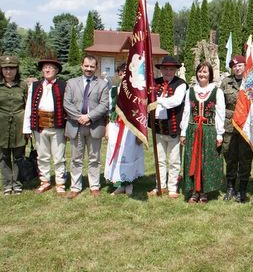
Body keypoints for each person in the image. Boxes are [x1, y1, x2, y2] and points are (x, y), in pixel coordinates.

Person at [63, 55, 109, 199]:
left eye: (92, 67)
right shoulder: (71, 83)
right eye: (86, 66)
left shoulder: (102, 84)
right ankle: (75, 186)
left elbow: (104, 105)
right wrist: (80, 117)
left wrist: (89, 117)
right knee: (76, 158)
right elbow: (67, 103)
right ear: (81, 66)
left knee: (94, 158)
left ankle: (94, 185)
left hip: (94, 125)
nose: (89, 69)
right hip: (75, 125)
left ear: (96, 68)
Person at [180, 62, 225, 204]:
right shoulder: (190, 91)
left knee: (206, 160)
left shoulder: (217, 91)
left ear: (210, 74)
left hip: (209, 130)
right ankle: (194, 191)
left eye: (205, 72)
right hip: (193, 130)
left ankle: (204, 192)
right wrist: (183, 132)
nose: (202, 74)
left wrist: (219, 134)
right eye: (200, 71)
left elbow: (220, 114)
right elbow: (186, 112)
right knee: (192, 158)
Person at [23, 57, 67, 195]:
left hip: (58, 126)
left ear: (56, 71)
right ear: (42, 70)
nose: (47, 69)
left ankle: (60, 182)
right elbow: (29, 107)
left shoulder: (63, 85)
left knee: (59, 157)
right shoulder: (35, 86)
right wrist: (27, 128)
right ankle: (45, 181)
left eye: (51, 67)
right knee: (42, 156)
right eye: (45, 67)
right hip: (40, 127)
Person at [148, 56, 187, 198]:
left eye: (171, 69)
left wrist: (156, 101)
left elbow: (175, 101)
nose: (168, 71)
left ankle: (172, 188)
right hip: (158, 127)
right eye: (165, 68)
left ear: (176, 70)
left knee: (174, 160)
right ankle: (160, 186)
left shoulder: (181, 84)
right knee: (160, 159)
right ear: (161, 69)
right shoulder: (155, 83)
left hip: (173, 128)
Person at [104, 62, 144, 196]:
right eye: (121, 74)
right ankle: (119, 184)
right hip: (116, 126)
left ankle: (129, 183)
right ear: (118, 75)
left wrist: (140, 133)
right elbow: (110, 111)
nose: (123, 76)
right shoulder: (113, 91)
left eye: (126, 74)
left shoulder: (137, 91)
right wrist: (108, 128)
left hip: (130, 128)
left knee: (129, 153)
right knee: (117, 154)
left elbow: (141, 113)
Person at [220, 55, 253, 203]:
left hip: (246, 125)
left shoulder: (251, 82)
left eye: (240, 65)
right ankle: (230, 187)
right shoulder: (226, 82)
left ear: (245, 66)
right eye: (235, 66)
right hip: (229, 125)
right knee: (230, 157)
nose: (237, 68)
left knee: (245, 158)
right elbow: (220, 104)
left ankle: (242, 189)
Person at [0, 56, 27, 195]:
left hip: (19, 125)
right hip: (2, 125)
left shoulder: (23, 85)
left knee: (18, 155)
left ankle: (17, 183)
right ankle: (7, 184)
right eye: (5, 68)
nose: (8, 71)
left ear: (17, 69)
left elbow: (27, 106)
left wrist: (28, 127)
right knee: (3, 156)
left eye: (12, 68)